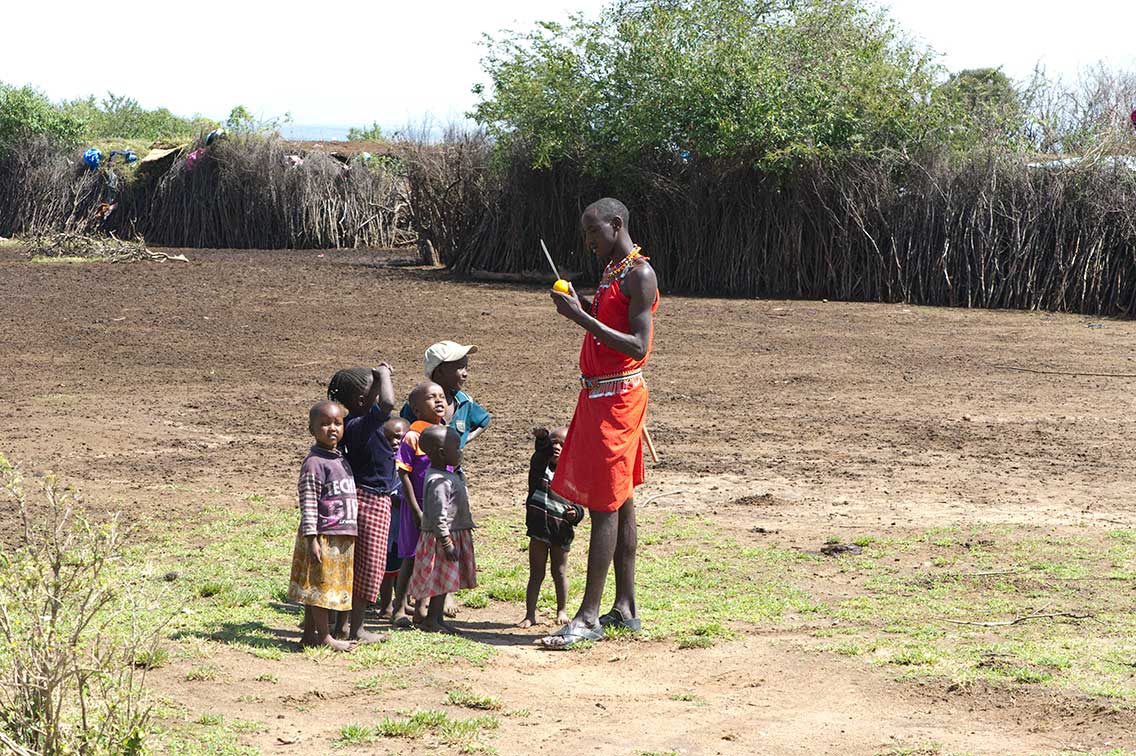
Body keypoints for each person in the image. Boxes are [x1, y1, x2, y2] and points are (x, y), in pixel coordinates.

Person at [539, 197, 659, 649]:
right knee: (621, 500)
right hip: (599, 395)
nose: (588, 242)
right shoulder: (614, 271)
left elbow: (636, 345)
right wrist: (583, 304)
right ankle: (625, 608)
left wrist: (580, 318)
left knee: (606, 505)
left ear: (617, 224)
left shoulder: (639, 274)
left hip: (619, 399)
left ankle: (588, 617)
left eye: (593, 232)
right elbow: (609, 320)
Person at [326, 365, 396, 643]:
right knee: (369, 567)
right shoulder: (360, 423)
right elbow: (389, 403)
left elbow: (382, 402)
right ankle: (356, 629)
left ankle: (344, 626)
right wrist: (385, 374)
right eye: (374, 389)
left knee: (357, 566)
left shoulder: (356, 423)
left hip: (363, 497)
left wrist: (377, 381)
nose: (380, 393)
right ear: (360, 400)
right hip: (372, 500)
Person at [287, 401, 359, 652]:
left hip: (341, 534)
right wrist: (312, 537)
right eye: (325, 424)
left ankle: (309, 635)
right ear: (312, 429)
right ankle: (326, 637)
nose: (332, 429)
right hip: (324, 534)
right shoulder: (314, 463)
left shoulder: (340, 458)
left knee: (317, 588)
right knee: (321, 589)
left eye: (337, 423)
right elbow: (308, 502)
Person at [408, 424, 477, 634]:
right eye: (456, 448)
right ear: (441, 453)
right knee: (439, 580)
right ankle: (432, 619)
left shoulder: (448, 475)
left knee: (444, 582)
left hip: (451, 534)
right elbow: (439, 515)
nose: (460, 452)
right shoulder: (438, 481)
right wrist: (446, 542)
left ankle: (436, 618)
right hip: (442, 538)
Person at [390, 381, 447, 628]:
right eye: (431, 397)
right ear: (415, 408)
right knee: (412, 556)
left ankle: (422, 609)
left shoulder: (445, 432)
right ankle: (399, 608)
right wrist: (414, 508)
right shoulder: (413, 435)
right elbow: (403, 474)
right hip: (417, 507)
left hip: (439, 507)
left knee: (433, 558)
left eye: (442, 396)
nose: (438, 401)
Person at [520, 426, 583, 628]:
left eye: (562, 444)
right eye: (553, 443)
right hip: (538, 530)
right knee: (536, 573)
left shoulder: (574, 475)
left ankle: (562, 610)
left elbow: (580, 504)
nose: (556, 447)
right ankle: (530, 614)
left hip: (561, 530)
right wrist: (543, 439)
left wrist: (576, 514)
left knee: (560, 572)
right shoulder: (540, 468)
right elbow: (540, 453)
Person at [400, 341, 490, 449]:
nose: (465, 373)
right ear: (440, 371)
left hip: (454, 466)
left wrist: (465, 439)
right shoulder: (417, 403)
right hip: (423, 465)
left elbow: (484, 421)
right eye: (460, 367)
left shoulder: (464, 402)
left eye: (466, 367)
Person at [376, 417, 409, 619]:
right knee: (387, 571)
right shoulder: (383, 462)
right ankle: (386, 605)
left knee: (402, 566)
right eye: (388, 439)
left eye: (399, 438)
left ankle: (402, 603)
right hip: (388, 527)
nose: (394, 443)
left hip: (404, 526)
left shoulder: (408, 462)